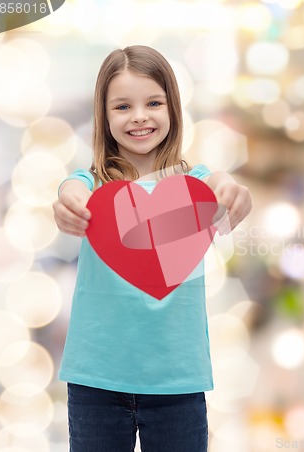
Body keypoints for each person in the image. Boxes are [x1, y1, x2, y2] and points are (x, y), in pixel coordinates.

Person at [53, 45, 252, 452]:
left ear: (173, 109)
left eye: (153, 103)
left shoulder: (197, 184)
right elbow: (69, 192)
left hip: (177, 382)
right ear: (104, 117)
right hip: (96, 381)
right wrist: (68, 204)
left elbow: (224, 188)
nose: (139, 116)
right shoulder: (91, 183)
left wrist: (233, 192)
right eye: (122, 106)